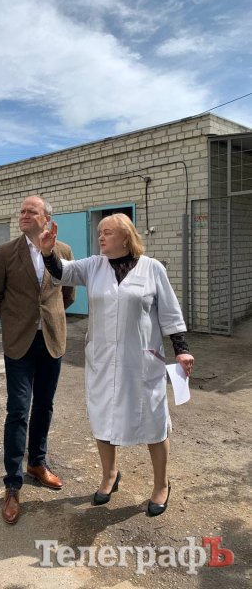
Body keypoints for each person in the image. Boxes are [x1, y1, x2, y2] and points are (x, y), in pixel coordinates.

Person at [39, 213, 194, 517]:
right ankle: (110, 475)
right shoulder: (94, 266)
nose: (101, 236)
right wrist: (47, 251)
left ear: (126, 237)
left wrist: (182, 350)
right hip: (102, 359)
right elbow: (62, 272)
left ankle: (161, 485)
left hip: (142, 360)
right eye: (100, 232)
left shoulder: (152, 268)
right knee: (102, 418)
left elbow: (170, 312)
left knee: (154, 421)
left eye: (108, 232)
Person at [0, 195, 75, 524]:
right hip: (19, 341)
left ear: (46, 218)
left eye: (30, 211)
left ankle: (37, 462)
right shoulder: (6, 252)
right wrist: (14, 319)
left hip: (51, 338)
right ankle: (12, 483)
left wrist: (49, 317)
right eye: (21, 210)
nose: (23, 215)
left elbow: (68, 293)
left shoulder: (63, 251)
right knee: (18, 409)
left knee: (45, 405)